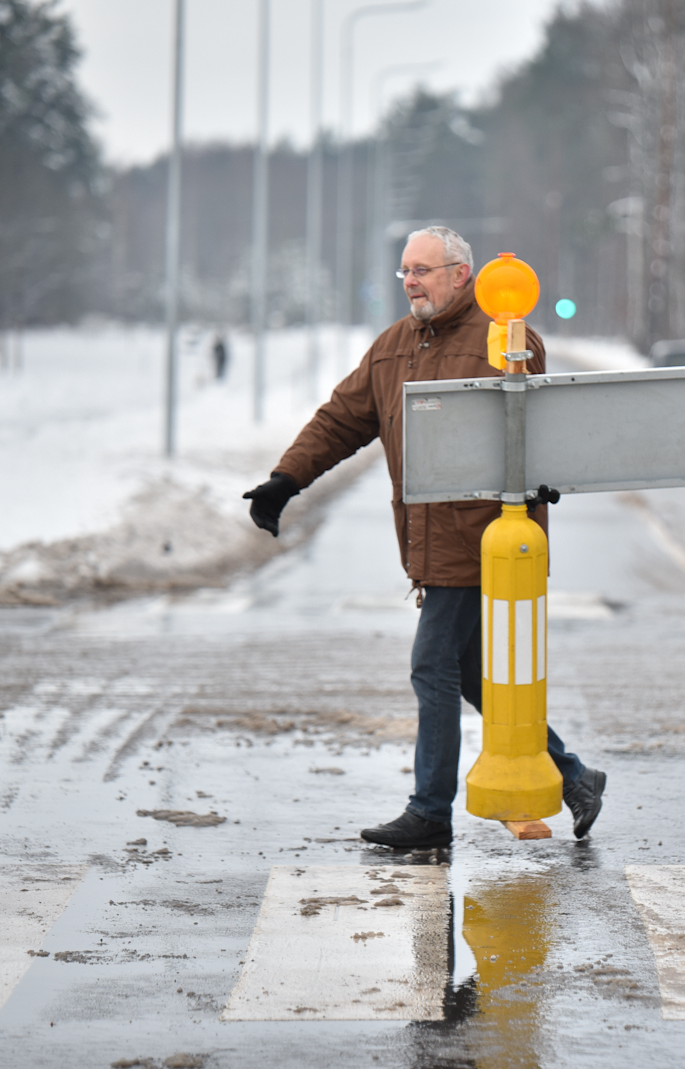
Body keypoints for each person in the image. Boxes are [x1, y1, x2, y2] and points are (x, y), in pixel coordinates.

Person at [241, 225, 606, 849]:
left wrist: (544, 476)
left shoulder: (506, 339)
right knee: (470, 676)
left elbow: (544, 425)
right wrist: (286, 479)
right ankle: (575, 776)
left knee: (432, 662)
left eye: (423, 271)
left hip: (489, 538)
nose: (410, 282)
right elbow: (341, 419)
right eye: (405, 271)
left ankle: (430, 812)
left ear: (461, 275)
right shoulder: (393, 347)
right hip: (430, 541)